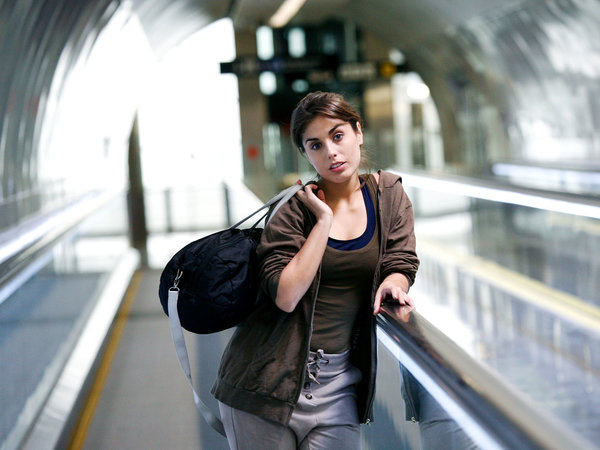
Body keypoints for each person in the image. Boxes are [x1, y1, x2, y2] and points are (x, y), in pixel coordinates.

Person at [211, 91, 420, 449]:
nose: (331, 152)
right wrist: (323, 221)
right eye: (316, 145)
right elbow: (287, 295)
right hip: (265, 384)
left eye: (337, 136)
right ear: (306, 154)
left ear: (358, 132)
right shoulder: (294, 210)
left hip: (338, 386)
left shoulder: (388, 195)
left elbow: (401, 260)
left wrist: (393, 283)